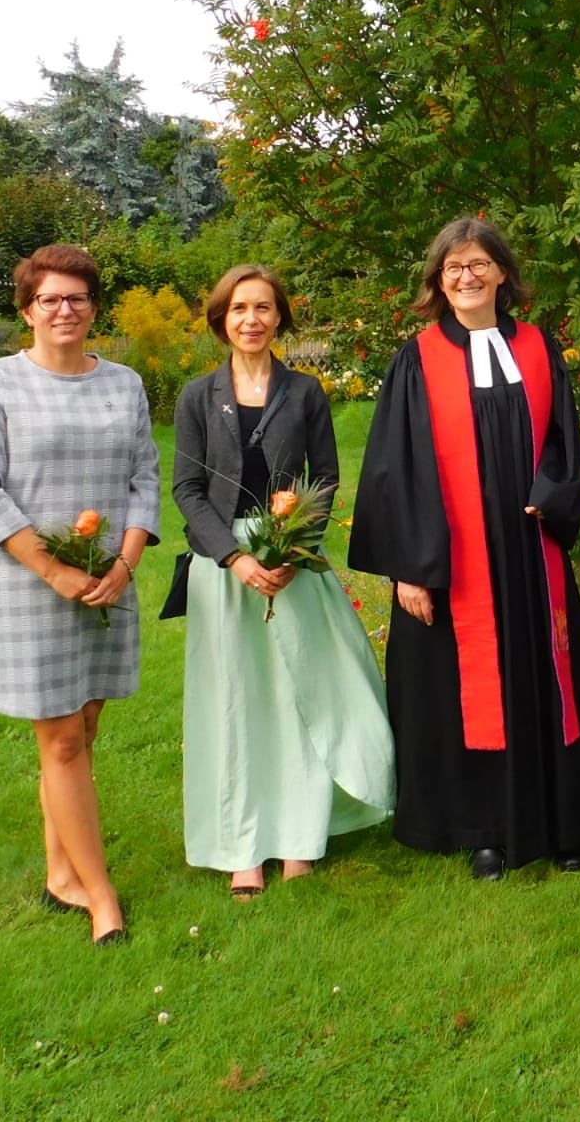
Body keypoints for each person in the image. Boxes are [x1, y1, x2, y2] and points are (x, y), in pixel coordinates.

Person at [347, 219, 580, 880]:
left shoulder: (538, 348)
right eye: (453, 268)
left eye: (478, 265)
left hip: (530, 554)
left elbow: (565, 441)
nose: (466, 277)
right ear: (438, 281)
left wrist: (553, 492)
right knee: (467, 696)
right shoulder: (418, 359)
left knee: (546, 678)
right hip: (455, 561)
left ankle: (564, 823)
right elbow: (394, 469)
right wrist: (409, 569)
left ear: (501, 274)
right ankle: (485, 829)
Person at [171, 264, 394, 900]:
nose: (252, 319)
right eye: (240, 308)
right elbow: (187, 489)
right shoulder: (196, 397)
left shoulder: (305, 392)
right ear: (222, 319)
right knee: (236, 705)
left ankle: (300, 835)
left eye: (264, 307)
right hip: (226, 574)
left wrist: (295, 551)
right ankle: (242, 847)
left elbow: (324, 478)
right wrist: (235, 559)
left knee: (303, 698)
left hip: (293, 563)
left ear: (279, 318)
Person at [0, 243, 158, 945]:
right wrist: (53, 570)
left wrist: (124, 564)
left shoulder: (124, 384)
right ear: (27, 310)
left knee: (84, 730)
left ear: (94, 307)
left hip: (107, 581)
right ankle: (101, 898)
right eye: (50, 299)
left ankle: (60, 874)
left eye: (77, 298)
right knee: (64, 740)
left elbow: (143, 479)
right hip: (31, 585)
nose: (64, 310)